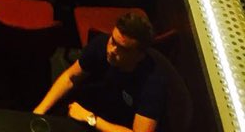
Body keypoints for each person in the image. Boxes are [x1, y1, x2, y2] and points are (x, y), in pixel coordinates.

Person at [34, 12, 167, 132]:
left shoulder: (152, 83)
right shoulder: (101, 44)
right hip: (87, 109)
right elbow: (70, 77)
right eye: (113, 41)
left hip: (111, 124)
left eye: (123, 49)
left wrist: (91, 119)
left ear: (140, 55)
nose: (112, 50)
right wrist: (39, 112)